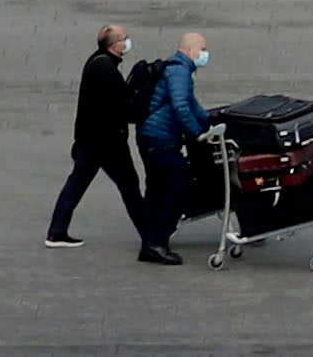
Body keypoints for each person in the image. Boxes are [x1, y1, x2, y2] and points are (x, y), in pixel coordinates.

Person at [46, 22, 160, 257]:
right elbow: (119, 106)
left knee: (77, 183)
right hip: (107, 142)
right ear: (114, 45)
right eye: (124, 39)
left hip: (91, 140)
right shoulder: (105, 69)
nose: (127, 42)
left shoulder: (98, 62)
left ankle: (57, 232)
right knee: (129, 186)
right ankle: (151, 237)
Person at [131, 30, 215, 269]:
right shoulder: (179, 71)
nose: (205, 54)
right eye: (203, 49)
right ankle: (158, 243)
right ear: (189, 50)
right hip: (161, 139)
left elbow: (192, 104)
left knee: (156, 189)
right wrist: (198, 133)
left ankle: (150, 243)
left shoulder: (177, 69)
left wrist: (209, 121)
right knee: (179, 187)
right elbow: (181, 106)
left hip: (149, 136)